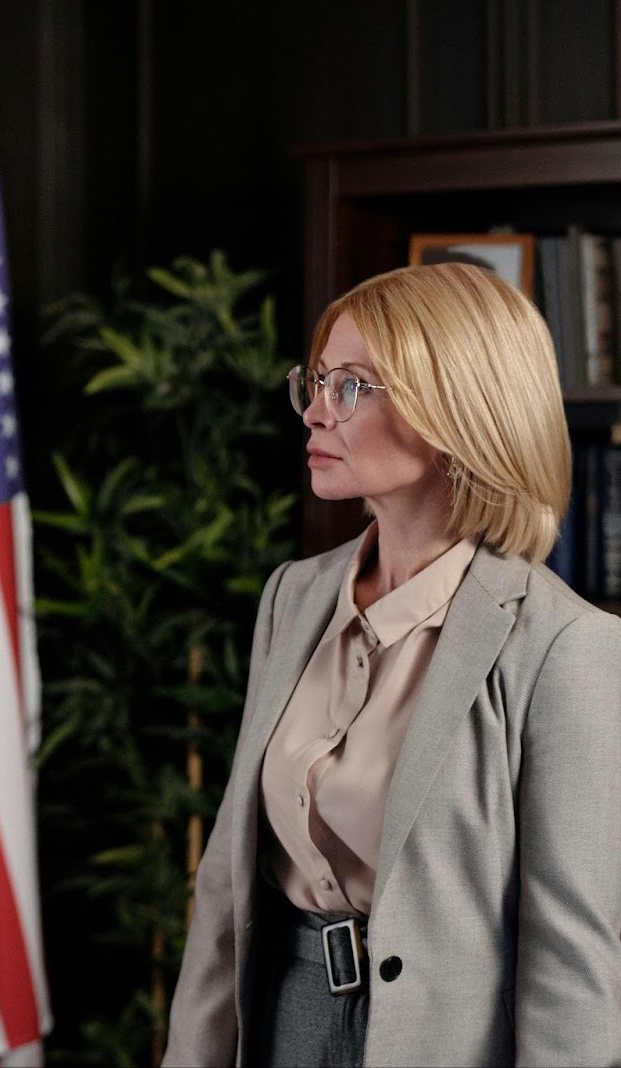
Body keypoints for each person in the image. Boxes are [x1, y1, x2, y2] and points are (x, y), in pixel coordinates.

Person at [164, 262, 621, 1066]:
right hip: (279, 1023)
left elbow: (572, 972)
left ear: (458, 411)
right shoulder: (293, 597)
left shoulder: (566, 648)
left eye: (352, 387)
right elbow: (227, 900)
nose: (312, 410)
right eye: (315, 380)